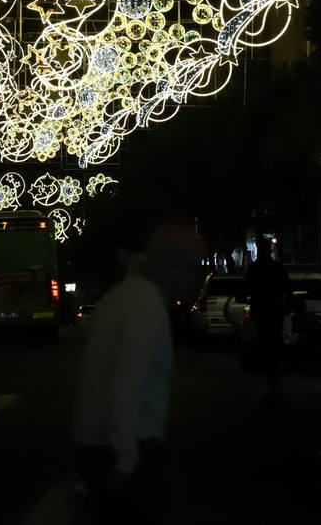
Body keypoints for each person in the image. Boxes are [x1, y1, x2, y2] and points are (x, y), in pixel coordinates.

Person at [72, 220, 202, 524]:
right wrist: (126, 461)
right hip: (126, 447)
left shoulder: (126, 296)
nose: (200, 276)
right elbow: (127, 385)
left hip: (103, 444)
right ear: (175, 268)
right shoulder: (145, 306)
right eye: (197, 266)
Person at [243, 240, 291, 395]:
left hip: (261, 312)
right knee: (274, 342)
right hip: (275, 312)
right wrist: (286, 308)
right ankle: (274, 376)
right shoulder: (278, 268)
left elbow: (245, 289)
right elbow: (288, 291)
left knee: (263, 343)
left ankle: (270, 377)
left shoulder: (254, 269)